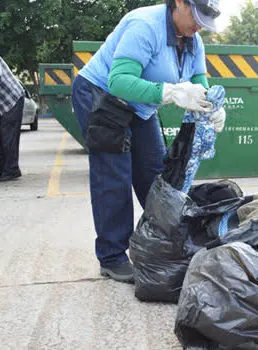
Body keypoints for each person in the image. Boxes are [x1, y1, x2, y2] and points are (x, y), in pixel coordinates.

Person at [72, 0, 225, 283]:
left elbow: (199, 78)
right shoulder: (145, 26)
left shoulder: (192, 38)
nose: (199, 26)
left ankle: (162, 243)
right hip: (102, 96)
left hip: (140, 106)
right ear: (179, 2)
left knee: (156, 176)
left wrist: (210, 105)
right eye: (197, 16)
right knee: (114, 174)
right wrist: (171, 93)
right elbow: (118, 81)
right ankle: (112, 256)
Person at [0, 56, 25, 182]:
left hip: (12, 100)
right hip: (4, 103)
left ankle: (11, 170)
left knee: (8, 136)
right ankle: (4, 169)